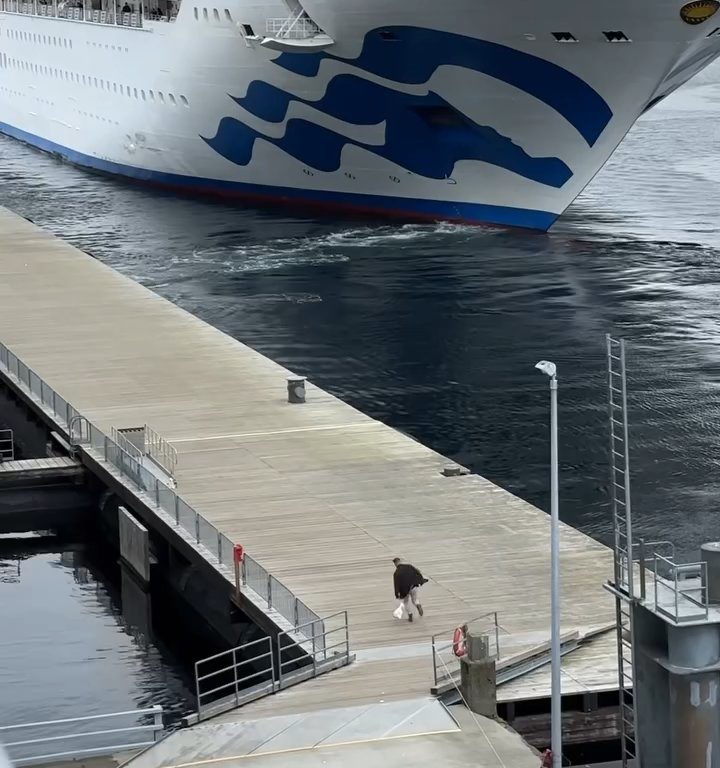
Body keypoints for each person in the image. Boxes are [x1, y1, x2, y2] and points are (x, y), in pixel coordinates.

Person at [393, 557, 428, 622]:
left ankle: (410, 615)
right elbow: (418, 571)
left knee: (405, 602)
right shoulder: (409, 566)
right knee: (414, 600)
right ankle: (418, 605)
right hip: (413, 586)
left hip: (404, 590)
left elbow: (396, 584)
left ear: (395, 564)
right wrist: (421, 580)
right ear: (400, 561)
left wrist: (397, 594)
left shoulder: (396, 573)